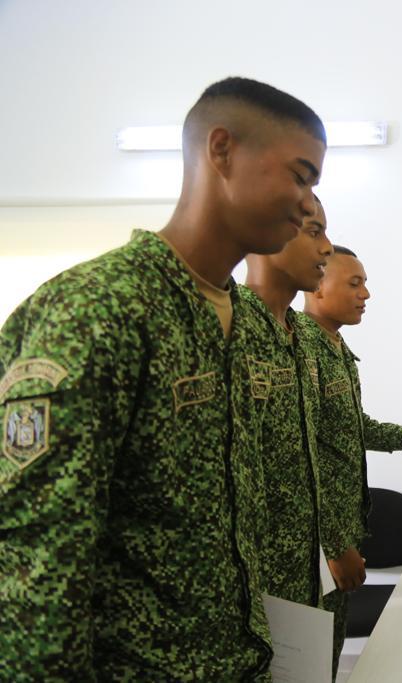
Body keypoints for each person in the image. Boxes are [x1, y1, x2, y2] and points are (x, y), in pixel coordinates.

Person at [0, 77, 326, 679]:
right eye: (300, 176)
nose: (309, 205)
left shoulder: (249, 324)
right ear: (221, 150)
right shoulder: (97, 311)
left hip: (239, 662)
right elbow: (38, 566)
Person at [298, 245, 402, 677]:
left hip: (338, 535)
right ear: (317, 283)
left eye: (365, 283)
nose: (366, 294)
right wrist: (333, 545)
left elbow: (356, 427)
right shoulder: (300, 347)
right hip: (311, 544)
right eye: (355, 283)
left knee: (324, 660)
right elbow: (300, 454)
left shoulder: (334, 347)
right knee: (305, 661)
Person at [239, 195, 333, 606]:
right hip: (248, 585)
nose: (327, 247)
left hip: (302, 575)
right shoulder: (232, 325)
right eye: (314, 232)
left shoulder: (303, 336)